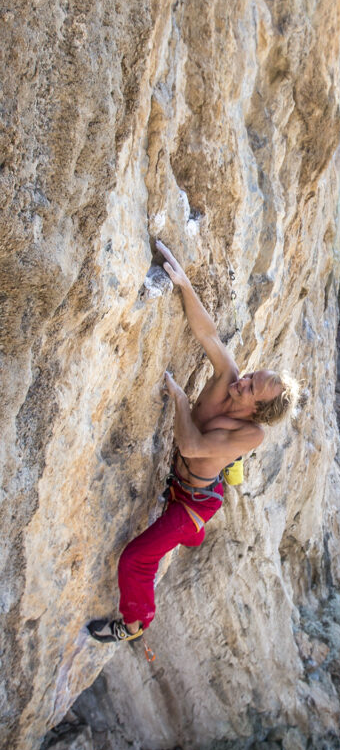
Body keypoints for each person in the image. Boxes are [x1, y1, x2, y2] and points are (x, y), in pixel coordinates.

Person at [88, 241, 298, 645]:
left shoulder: (250, 434)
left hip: (193, 504)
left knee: (136, 560)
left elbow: (193, 447)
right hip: (186, 484)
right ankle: (190, 538)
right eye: (252, 373)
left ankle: (133, 625)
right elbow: (209, 335)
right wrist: (184, 284)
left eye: (252, 386)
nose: (244, 378)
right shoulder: (228, 379)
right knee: (177, 537)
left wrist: (182, 400)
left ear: (259, 410)